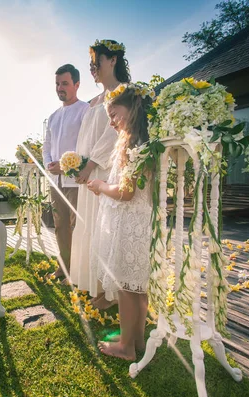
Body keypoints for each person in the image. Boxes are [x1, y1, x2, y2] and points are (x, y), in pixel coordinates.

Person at [87, 83, 153, 360]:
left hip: (129, 225)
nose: (111, 121)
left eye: (115, 115)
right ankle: (136, 339)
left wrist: (101, 185)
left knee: (127, 287)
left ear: (133, 109)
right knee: (137, 287)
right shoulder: (142, 141)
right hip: (139, 222)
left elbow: (126, 192)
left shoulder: (133, 146)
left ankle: (126, 346)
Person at [69, 39, 131, 310]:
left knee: (105, 230)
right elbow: (85, 136)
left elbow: (111, 133)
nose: (93, 68)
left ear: (113, 60)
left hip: (105, 170)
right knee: (89, 226)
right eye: (91, 64)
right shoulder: (92, 101)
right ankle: (92, 282)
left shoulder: (123, 93)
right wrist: (76, 164)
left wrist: (91, 164)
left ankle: (110, 292)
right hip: (87, 172)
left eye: (97, 63)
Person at [42, 64, 90, 280]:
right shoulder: (53, 116)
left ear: (77, 85)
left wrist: (67, 166)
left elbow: (87, 145)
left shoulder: (85, 110)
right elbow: (47, 145)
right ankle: (65, 268)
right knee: (60, 224)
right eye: (57, 84)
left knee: (77, 224)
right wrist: (49, 164)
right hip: (56, 180)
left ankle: (80, 271)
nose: (60, 88)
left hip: (76, 180)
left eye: (65, 83)